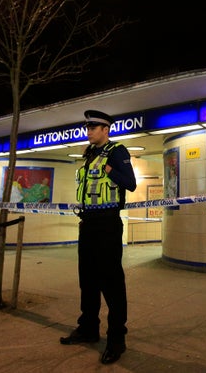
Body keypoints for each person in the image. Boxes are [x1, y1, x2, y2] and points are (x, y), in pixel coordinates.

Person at [60, 110, 137, 365]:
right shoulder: (89, 154)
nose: (89, 131)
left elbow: (130, 183)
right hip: (88, 224)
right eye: (87, 127)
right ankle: (88, 329)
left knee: (112, 283)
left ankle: (117, 339)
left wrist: (109, 168)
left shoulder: (117, 151)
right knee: (88, 280)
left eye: (93, 127)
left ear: (106, 129)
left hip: (107, 224)